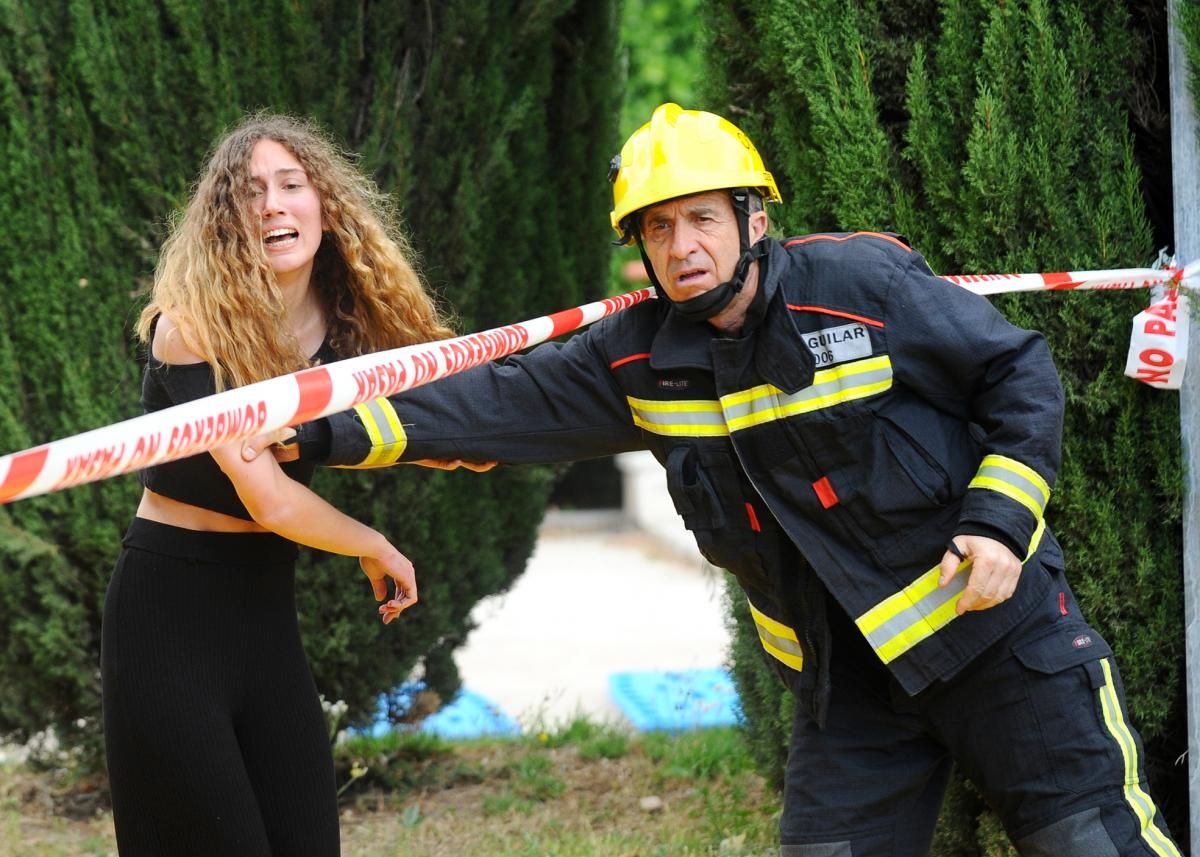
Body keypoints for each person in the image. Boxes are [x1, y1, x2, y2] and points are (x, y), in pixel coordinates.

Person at [256, 103, 1181, 855]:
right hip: (845, 689)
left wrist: (1000, 520)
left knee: (1094, 845)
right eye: (658, 226)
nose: (681, 243)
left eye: (702, 216)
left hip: (1000, 650)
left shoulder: (859, 287)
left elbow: (1018, 373)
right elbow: (481, 403)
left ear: (755, 219)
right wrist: (308, 433)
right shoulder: (632, 359)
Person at [105, 113, 453, 857]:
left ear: (324, 205)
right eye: (251, 193)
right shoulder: (194, 323)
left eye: (291, 185)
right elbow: (266, 494)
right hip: (169, 619)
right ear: (226, 221)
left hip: (264, 610)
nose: (273, 205)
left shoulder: (350, 319)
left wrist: (467, 444)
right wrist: (372, 543)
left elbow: (438, 401)